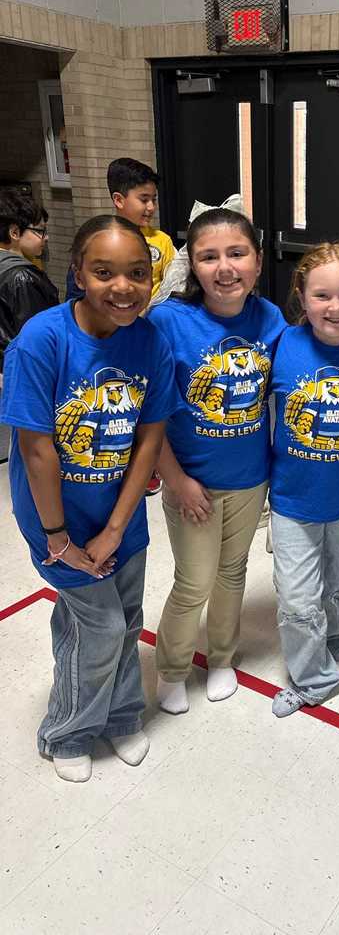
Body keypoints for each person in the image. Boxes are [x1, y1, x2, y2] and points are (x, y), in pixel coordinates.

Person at [0, 215, 177, 783]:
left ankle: (121, 715)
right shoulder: (42, 341)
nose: (123, 287)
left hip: (119, 515)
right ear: (78, 273)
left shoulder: (151, 341)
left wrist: (117, 527)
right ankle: (67, 731)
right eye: (104, 272)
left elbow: (148, 440)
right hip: (57, 520)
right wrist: (59, 539)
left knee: (124, 621)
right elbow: (37, 452)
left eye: (137, 273)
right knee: (99, 628)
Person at [149, 207, 285, 714]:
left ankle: (222, 656)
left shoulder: (270, 319)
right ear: (193, 266)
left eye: (237, 253)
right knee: (193, 582)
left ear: (257, 261)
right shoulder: (168, 321)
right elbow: (149, 416)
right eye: (209, 257)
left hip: (250, 479)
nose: (225, 268)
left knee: (232, 572)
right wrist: (176, 480)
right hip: (192, 483)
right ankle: (171, 670)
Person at [269, 242, 339, 717]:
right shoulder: (280, 345)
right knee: (297, 598)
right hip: (294, 500)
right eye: (322, 296)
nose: (335, 307)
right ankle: (313, 680)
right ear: (302, 296)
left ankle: (334, 634)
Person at [66, 158, 175, 304]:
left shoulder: (162, 241)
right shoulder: (96, 241)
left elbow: (174, 288)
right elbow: (77, 297)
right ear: (118, 200)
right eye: (144, 200)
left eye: (153, 200)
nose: (151, 207)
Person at [0, 190, 58, 375]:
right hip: (23, 371)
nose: (46, 238)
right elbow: (37, 339)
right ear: (15, 232)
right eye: (40, 230)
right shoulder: (22, 277)